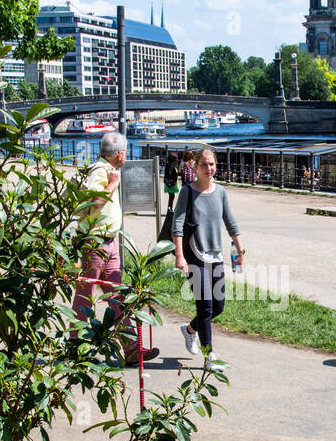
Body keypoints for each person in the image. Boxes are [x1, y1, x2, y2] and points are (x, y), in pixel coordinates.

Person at [72, 130, 159, 366]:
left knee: (117, 294)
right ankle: (75, 345)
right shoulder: (101, 172)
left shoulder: (108, 170)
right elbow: (94, 201)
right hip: (95, 242)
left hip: (108, 242)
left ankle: (130, 347)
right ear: (120, 153)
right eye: (126, 151)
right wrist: (112, 184)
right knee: (85, 295)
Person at [173, 147, 244, 361]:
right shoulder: (187, 191)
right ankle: (209, 355)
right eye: (203, 164)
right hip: (194, 254)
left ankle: (190, 330)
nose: (208, 168)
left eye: (211, 164)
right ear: (195, 167)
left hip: (216, 256)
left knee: (218, 306)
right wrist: (179, 256)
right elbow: (177, 225)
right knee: (204, 307)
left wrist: (240, 251)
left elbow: (231, 223)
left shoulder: (221, 192)